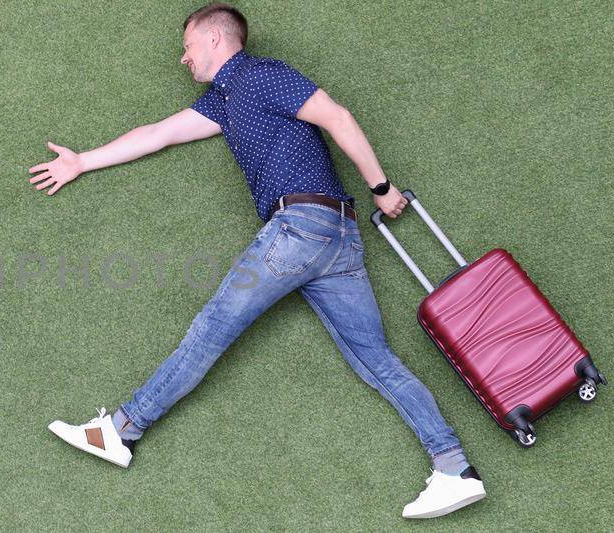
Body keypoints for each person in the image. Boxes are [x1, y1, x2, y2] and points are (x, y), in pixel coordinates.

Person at [33, 2, 485, 519]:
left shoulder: (261, 75)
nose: (183, 59)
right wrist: (83, 161)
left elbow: (337, 116)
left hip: (300, 229)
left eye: (187, 46)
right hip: (337, 242)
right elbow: (158, 133)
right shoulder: (223, 102)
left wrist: (381, 187)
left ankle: (121, 430)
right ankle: (454, 467)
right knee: (375, 359)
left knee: (212, 327)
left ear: (215, 40)